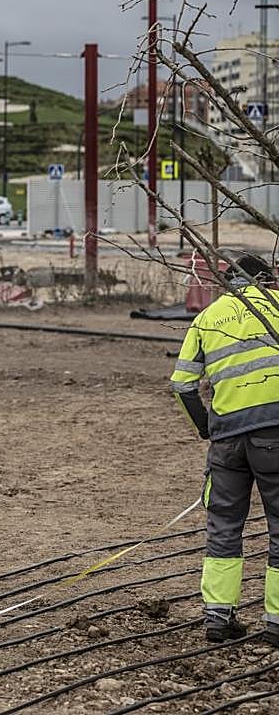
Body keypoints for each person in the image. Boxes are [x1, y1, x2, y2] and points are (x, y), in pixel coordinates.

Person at [171, 252, 279, 643]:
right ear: (265, 278)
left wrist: (207, 429)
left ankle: (218, 617)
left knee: (224, 528)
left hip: (226, 441)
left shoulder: (206, 318)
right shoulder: (277, 306)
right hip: (275, 433)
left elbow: (182, 386)